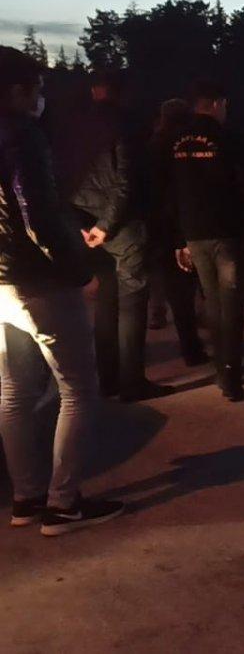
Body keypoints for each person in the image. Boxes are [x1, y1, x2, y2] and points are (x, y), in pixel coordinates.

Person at [0, 46, 124, 535]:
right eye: (36, 88)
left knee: (12, 393)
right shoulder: (21, 136)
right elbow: (38, 218)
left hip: (2, 282)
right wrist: (79, 273)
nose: (41, 97)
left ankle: (27, 498)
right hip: (40, 282)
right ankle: (64, 503)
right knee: (78, 388)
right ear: (16, 91)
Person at [70, 72, 171, 401]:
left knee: (106, 302)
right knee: (132, 301)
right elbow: (126, 181)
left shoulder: (75, 126)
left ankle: (108, 378)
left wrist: (81, 224)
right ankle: (132, 381)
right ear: (122, 93)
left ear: (94, 91)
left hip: (87, 226)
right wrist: (107, 225)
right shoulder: (128, 125)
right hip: (121, 226)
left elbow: (62, 178)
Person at [168, 80, 244, 401]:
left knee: (212, 302)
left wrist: (180, 238)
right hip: (227, 233)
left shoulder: (177, 141)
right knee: (231, 306)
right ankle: (231, 380)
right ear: (218, 104)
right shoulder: (228, 138)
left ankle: (221, 370)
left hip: (194, 234)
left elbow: (170, 192)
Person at [146, 98, 207, 366]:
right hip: (184, 226)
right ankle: (194, 347)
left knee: (173, 289)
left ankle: (189, 344)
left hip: (158, 229)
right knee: (188, 289)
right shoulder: (184, 148)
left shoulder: (153, 146)